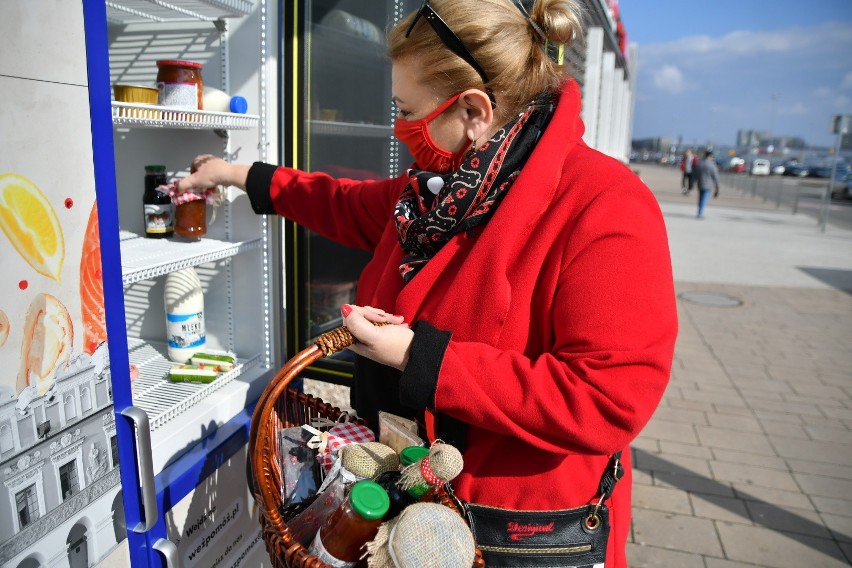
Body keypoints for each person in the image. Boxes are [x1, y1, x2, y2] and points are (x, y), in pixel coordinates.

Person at [177, 1, 677, 566]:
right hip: (413, 510)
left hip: (513, 533)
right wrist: (233, 174)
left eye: (406, 109)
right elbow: (338, 201)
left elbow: (607, 399)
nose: (399, 126)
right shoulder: (437, 195)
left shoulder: (605, 204)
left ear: (473, 110)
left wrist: (418, 357)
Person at [695, 149, 720, 218]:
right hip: (708, 185)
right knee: (704, 199)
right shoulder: (712, 165)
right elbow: (715, 176)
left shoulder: (700, 163)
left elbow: (696, 173)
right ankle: (700, 213)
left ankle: (699, 211)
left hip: (700, 183)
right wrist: (717, 187)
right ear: (710, 156)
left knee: (700, 198)